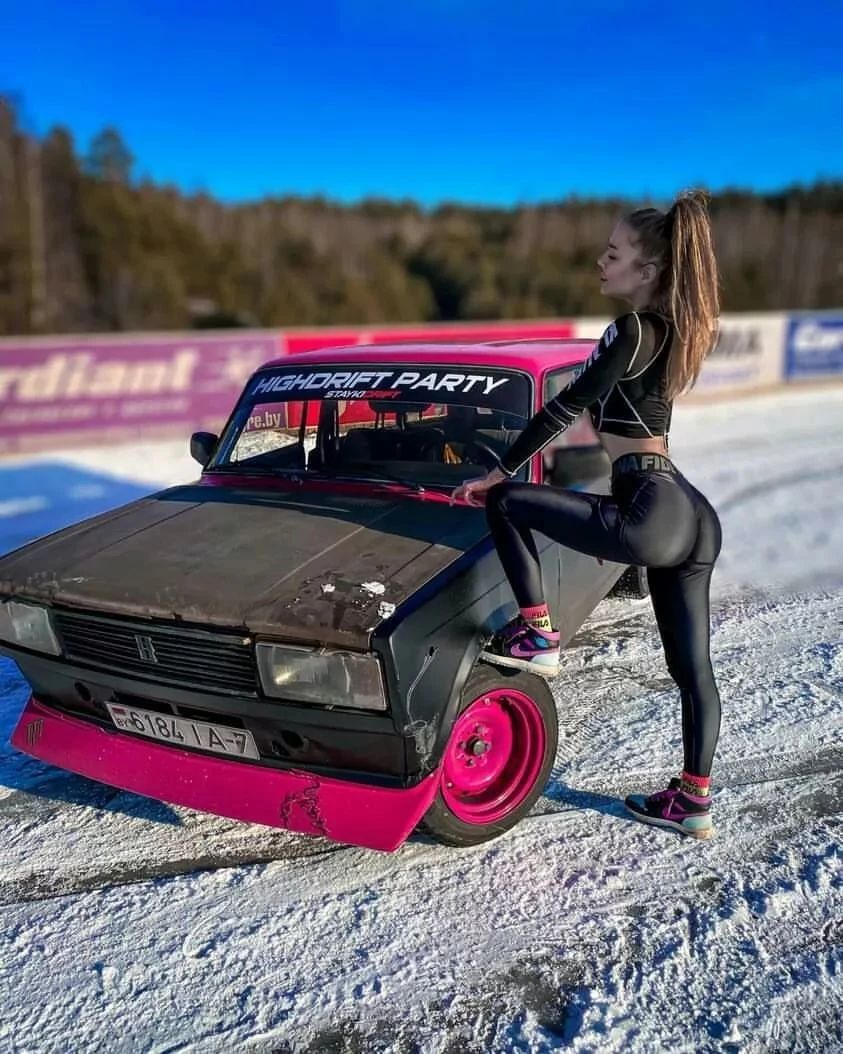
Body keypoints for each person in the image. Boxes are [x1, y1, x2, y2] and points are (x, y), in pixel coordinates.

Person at [451, 189, 723, 839]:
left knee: (507, 502)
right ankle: (692, 800)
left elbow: (565, 405)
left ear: (647, 270)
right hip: (689, 511)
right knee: (693, 672)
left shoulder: (629, 330)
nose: (600, 262)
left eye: (612, 253)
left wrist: (500, 470)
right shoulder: (675, 331)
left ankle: (538, 633)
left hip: (648, 506)